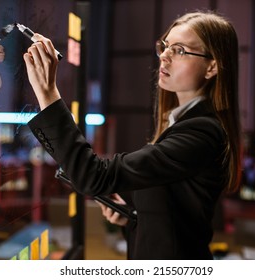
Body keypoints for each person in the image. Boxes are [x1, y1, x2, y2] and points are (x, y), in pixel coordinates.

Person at [23, 10, 242, 260]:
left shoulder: (202, 132)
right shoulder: (181, 124)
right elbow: (173, 217)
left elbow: (94, 176)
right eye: (165, 46)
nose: (165, 57)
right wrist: (132, 216)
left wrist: (47, 92)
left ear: (212, 66)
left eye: (180, 50)